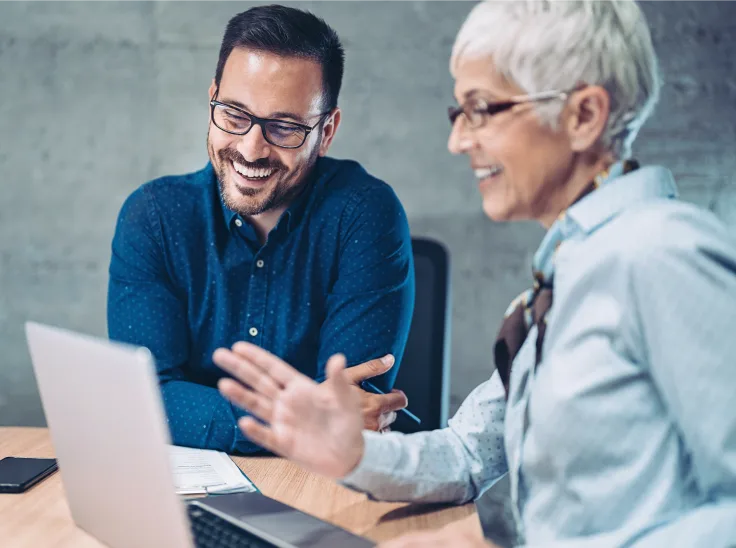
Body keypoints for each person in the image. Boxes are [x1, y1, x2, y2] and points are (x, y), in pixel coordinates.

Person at [212, 0, 736, 545]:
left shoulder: (663, 254)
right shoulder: (567, 274)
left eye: (483, 109)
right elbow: (466, 456)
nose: (458, 139)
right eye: (458, 111)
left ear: (584, 116)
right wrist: (354, 453)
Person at [107, 5, 414, 455]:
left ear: (326, 131)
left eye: (284, 127)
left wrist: (199, 414)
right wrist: (300, 419)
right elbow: (146, 396)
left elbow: (350, 408)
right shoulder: (153, 217)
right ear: (212, 97)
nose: (251, 149)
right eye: (234, 114)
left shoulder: (367, 215)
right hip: (187, 491)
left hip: (325, 487)